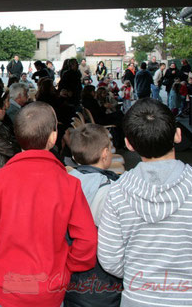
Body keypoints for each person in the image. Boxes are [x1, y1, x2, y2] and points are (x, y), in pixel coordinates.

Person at [98, 98, 192, 306]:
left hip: (137, 298)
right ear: (177, 135)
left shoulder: (117, 191)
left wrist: (137, 276)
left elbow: (109, 258)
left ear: (129, 144)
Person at [0, 102, 97, 306]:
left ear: (17, 137)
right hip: (50, 290)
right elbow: (87, 242)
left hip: (5, 288)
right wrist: (65, 267)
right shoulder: (69, 184)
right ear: (53, 137)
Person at [64, 124, 122, 307]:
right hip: (104, 284)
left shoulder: (63, 184)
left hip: (67, 279)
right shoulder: (112, 192)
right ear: (105, 153)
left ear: (74, 156)